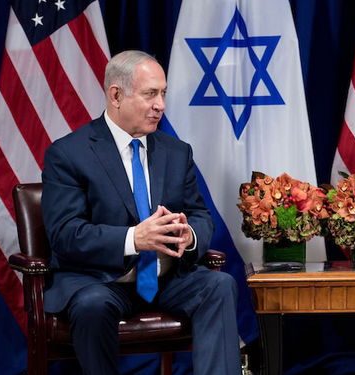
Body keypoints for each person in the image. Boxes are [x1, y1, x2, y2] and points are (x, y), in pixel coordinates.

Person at [41, 50, 240, 375]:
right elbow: (65, 234)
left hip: (167, 277)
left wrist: (187, 236)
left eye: (163, 94)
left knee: (219, 286)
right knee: (92, 305)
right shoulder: (68, 154)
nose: (160, 104)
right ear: (116, 95)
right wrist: (136, 238)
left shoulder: (176, 152)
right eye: (150, 94)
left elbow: (201, 216)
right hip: (101, 280)